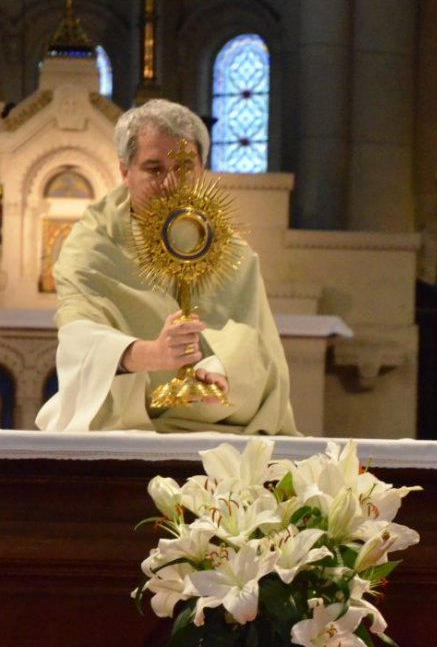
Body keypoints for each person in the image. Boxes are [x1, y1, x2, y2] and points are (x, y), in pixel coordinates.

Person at [35, 99, 298, 435]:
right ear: (124, 172)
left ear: (203, 170)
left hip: (215, 427)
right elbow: (78, 335)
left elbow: (257, 343)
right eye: (155, 169)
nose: (172, 183)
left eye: (185, 167)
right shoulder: (92, 246)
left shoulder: (234, 252)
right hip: (125, 425)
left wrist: (224, 371)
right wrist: (147, 354)